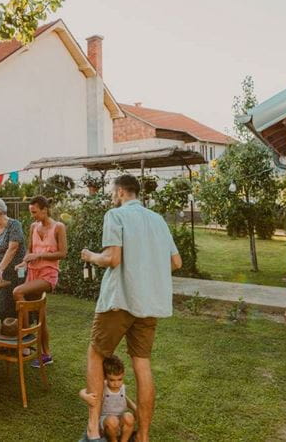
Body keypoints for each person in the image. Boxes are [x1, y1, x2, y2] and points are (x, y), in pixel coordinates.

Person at [80, 174, 182, 442]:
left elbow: (112, 259)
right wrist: (147, 270)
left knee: (96, 355)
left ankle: (93, 428)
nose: (113, 196)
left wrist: (91, 256)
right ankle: (144, 436)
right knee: (143, 365)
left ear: (122, 192)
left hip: (119, 300)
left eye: (114, 192)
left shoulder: (116, 215)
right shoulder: (158, 220)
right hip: (148, 304)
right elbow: (176, 262)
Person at [13, 195, 67, 367]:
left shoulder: (58, 227)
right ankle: (46, 354)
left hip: (48, 275)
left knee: (18, 292)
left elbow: (63, 253)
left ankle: (27, 339)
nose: (33, 215)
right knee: (41, 315)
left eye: (35, 212)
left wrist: (40, 255)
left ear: (45, 209)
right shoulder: (33, 227)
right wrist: (24, 262)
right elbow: (29, 250)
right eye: (31, 212)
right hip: (32, 273)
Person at [79, 355, 137, 442]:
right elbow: (83, 391)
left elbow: (124, 398)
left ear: (123, 375)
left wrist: (134, 407)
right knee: (112, 421)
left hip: (119, 417)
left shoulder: (122, 387)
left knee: (129, 417)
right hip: (106, 420)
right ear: (105, 377)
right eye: (112, 380)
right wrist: (85, 396)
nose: (116, 383)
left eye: (119, 379)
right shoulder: (103, 386)